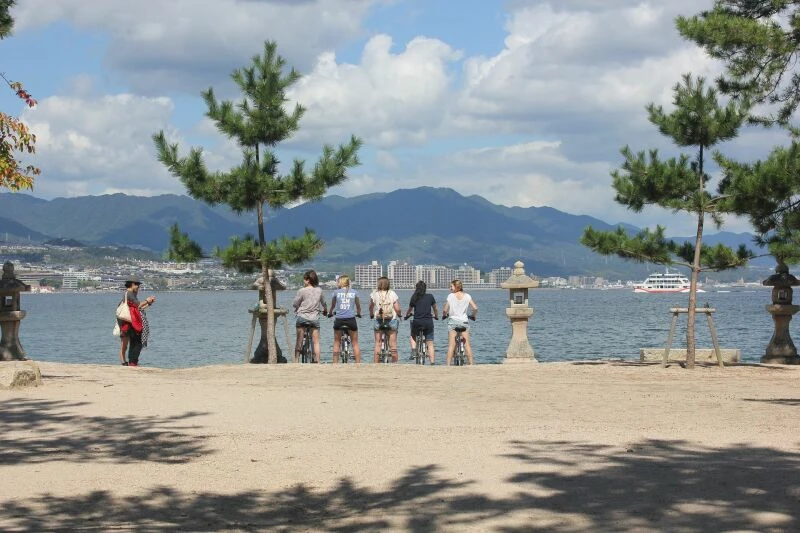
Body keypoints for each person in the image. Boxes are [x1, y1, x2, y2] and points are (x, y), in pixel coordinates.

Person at [117, 280, 155, 367]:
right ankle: (129, 362)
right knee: (132, 343)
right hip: (129, 323)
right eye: (137, 284)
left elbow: (139, 309)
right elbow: (138, 305)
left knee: (131, 343)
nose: (138, 287)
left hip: (130, 322)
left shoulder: (130, 294)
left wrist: (149, 303)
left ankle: (130, 362)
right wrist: (147, 300)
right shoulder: (129, 293)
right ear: (132, 284)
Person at [292, 269, 327, 363]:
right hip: (314, 319)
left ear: (308, 280)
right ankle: (318, 361)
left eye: (304, 279)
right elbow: (324, 303)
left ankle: (296, 361)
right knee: (316, 342)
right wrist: (325, 311)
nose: (303, 281)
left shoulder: (301, 291)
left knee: (299, 340)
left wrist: (296, 309)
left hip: (302, 317)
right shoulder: (319, 290)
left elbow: (295, 303)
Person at [442, 279, 478, 365]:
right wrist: (473, 315)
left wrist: (444, 314)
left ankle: (448, 365)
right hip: (464, 322)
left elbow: (445, 310)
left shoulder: (451, 296)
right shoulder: (467, 296)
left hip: (453, 322)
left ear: (456, 287)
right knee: (467, 344)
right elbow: (475, 308)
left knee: (451, 345)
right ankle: (471, 363)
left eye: (451, 286)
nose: (450, 288)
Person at [327, 275, 362, 363]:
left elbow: (333, 306)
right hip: (351, 320)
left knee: (336, 342)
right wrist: (358, 314)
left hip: (339, 320)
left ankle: (335, 363)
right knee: (355, 343)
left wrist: (330, 313)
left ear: (340, 282)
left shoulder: (336, 292)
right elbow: (358, 306)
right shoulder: (354, 292)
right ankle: (358, 364)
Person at [369, 276, 403, 363]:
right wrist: (399, 315)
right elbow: (397, 308)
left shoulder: (374, 294)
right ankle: (395, 363)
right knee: (393, 344)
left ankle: (376, 363)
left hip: (379, 320)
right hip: (391, 320)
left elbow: (371, 307)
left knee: (378, 343)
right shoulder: (392, 293)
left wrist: (371, 314)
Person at [404, 280, 438, 364]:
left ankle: (413, 350)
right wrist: (436, 316)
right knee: (430, 343)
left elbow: (409, 310)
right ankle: (432, 363)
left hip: (417, 322)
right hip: (428, 322)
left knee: (413, 335)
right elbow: (435, 309)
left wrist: (407, 315)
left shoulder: (414, 297)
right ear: (425, 289)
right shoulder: (430, 296)